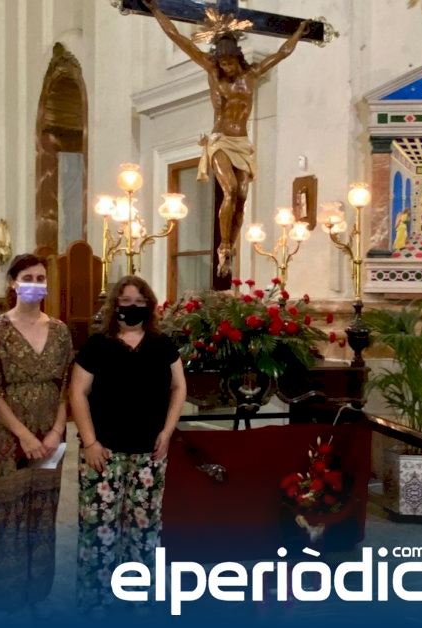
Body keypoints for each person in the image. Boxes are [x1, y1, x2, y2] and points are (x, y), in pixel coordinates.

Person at [149, 0, 309, 276]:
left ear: (238, 59)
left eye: (230, 62)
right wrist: (156, 11)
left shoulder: (252, 75)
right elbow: (178, 37)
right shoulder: (213, 73)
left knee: (243, 197)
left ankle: (229, 249)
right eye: (222, 62)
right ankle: (223, 244)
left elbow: (282, 52)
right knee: (231, 190)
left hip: (242, 143)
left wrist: (299, 32)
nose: (227, 67)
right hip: (220, 140)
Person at [68, 275, 186, 614]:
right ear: (114, 306)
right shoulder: (97, 345)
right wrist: (89, 441)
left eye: (138, 302)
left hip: (150, 452)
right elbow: (78, 392)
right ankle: (97, 603)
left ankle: (139, 600)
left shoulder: (162, 345)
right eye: (125, 302)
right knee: (99, 528)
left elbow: (179, 387)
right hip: (104, 451)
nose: (131, 307)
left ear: (148, 306)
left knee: (144, 528)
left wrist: (168, 431)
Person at [0, 254, 73, 617]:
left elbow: (66, 386)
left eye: (41, 278)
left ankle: (39, 593)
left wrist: (56, 431)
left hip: (51, 436)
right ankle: (8, 599)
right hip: (8, 437)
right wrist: (23, 435)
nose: (36, 283)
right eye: (28, 277)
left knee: (43, 512)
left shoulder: (61, 331)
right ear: (13, 283)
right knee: (8, 513)